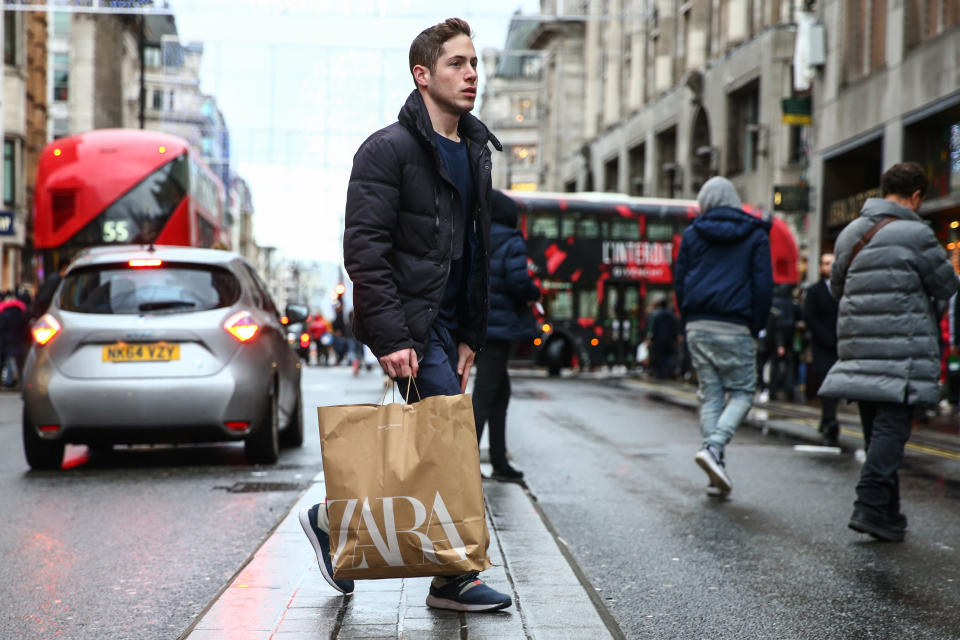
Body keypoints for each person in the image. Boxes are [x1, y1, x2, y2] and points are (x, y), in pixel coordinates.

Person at [299, 18, 511, 612]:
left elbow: (476, 254)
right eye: (456, 64)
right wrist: (391, 335)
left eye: (474, 64)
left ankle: (331, 521)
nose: (471, 75)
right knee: (450, 441)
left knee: (435, 442)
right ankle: (452, 580)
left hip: (447, 327)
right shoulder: (387, 149)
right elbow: (364, 251)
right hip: (409, 323)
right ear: (422, 75)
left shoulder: (475, 150)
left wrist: (472, 331)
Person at [819, 162, 958, 542]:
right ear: (915, 196)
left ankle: (888, 514)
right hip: (901, 348)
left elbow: (836, 289)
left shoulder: (850, 233)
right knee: (892, 430)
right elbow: (946, 284)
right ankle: (868, 503)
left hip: (858, 345)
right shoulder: (916, 233)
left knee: (875, 430)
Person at [674, 176, 773, 497]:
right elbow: (763, 285)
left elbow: (680, 280)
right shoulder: (756, 233)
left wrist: (688, 318)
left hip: (698, 324)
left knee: (712, 395)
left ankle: (715, 469)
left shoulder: (693, 233)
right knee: (744, 393)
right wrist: (755, 325)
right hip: (735, 324)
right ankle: (715, 449)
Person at [472, 190, 539, 482]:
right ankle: (464, 463)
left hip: (481, 323)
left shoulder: (479, 236)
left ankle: (499, 461)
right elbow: (517, 282)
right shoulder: (511, 240)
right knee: (485, 396)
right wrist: (534, 290)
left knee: (499, 393)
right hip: (498, 328)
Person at [803, 253, 840, 445]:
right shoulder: (814, 291)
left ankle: (828, 417)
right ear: (820, 267)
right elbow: (809, 318)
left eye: (832, 263)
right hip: (822, 344)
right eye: (826, 263)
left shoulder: (844, 290)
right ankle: (829, 419)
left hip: (841, 345)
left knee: (838, 385)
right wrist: (824, 337)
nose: (829, 267)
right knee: (826, 381)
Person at [648, 298, 680, 379]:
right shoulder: (672, 315)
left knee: (659, 356)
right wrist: (676, 337)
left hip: (658, 339)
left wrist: (651, 339)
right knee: (669, 355)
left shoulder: (656, 315)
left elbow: (653, 328)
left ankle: (661, 373)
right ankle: (668, 371)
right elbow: (675, 327)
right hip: (670, 339)